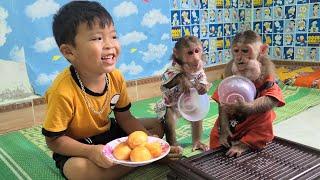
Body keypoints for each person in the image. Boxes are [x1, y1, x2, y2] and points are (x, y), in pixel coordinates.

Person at [41, 1, 169, 179]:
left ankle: (131, 160)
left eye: (113, 36)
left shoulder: (115, 77)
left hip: (109, 133)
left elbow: (125, 117)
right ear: (69, 52)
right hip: (78, 144)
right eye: (97, 38)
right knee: (78, 170)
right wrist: (90, 152)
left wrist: (146, 144)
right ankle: (137, 162)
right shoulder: (62, 91)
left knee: (156, 125)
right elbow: (54, 141)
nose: (109, 45)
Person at [209, 30, 285, 157]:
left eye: (245, 51)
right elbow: (222, 100)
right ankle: (220, 145)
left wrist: (249, 107)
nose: (239, 58)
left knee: (265, 117)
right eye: (236, 51)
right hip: (233, 116)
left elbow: (272, 99)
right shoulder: (231, 69)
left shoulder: (265, 71)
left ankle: (246, 143)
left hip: (254, 118)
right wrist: (224, 126)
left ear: (262, 50)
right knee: (218, 134)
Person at [155, 36, 210, 152]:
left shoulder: (199, 66)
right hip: (172, 104)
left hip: (188, 102)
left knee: (198, 113)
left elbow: (202, 79)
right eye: (190, 53)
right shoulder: (175, 68)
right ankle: (172, 144)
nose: (195, 58)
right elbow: (166, 82)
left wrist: (203, 87)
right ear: (177, 54)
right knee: (169, 120)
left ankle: (197, 140)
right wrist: (182, 78)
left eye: (197, 51)